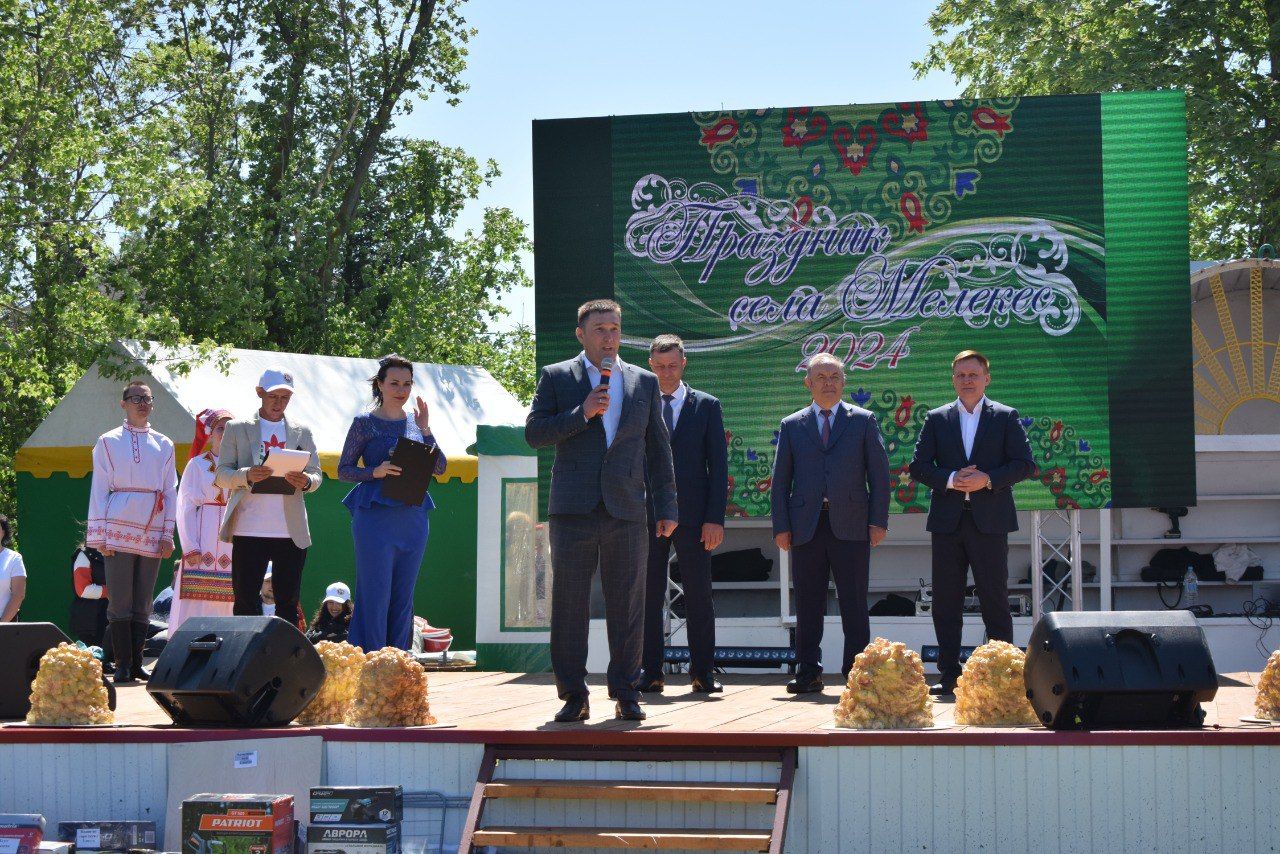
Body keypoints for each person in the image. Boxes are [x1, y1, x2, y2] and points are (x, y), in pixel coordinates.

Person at [525, 298, 678, 723]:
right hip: (573, 510)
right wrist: (582, 412)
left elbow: (658, 450)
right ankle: (574, 694)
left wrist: (666, 505)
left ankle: (627, 690)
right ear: (581, 334)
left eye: (614, 329)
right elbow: (535, 433)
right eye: (600, 330)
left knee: (628, 603)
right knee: (569, 605)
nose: (609, 337)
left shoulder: (643, 382)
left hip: (627, 509)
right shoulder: (557, 377)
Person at [908, 350, 1035, 695]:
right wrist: (950, 478)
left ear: (986, 378)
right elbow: (918, 466)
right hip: (948, 523)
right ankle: (949, 674)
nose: (967, 380)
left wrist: (988, 479)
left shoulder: (1006, 416)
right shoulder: (936, 419)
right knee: (946, 602)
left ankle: (1002, 674)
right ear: (953, 379)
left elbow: (1025, 464)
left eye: (973, 375)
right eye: (961, 375)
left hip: (990, 522)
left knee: (995, 599)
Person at [770, 353, 890, 694]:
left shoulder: (863, 421)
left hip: (852, 524)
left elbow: (879, 477)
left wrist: (878, 521)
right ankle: (808, 671)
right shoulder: (792, 425)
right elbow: (781, 481)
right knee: (808, 602)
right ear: (808, 383)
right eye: (820, 377)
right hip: (806, 525)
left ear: (844, 382)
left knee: (854, 601)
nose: (827, 383)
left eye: (834, 377)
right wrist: (781, 525)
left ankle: (857, 673)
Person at [338, 354, 446, 651]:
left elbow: (440, 467)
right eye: (395, 383)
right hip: (374, 517)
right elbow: (343, 470)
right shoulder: (364, 423)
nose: (402, 389)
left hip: (412, 518)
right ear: (380, 385)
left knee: (403, 596)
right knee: (375, 593)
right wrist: (375, 471)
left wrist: (426, 429)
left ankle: (398, 662)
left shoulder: (416, 424)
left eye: (407, 384)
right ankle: (371, 660)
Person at [639, 334, 728, 695]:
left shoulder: (706, 405)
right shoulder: (637, 403)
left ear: (684, 363)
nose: (666, 372)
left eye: (672, 365)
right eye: (659, 366)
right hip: (645, 514)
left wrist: (715, 518)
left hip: (694, 516)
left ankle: (703, 673)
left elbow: (718, 467)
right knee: (646, 595)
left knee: (699, 595)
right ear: (649, 365)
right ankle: (650, 672)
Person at [215, 367, 322, 631]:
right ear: (260, 393)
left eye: (285, 397)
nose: (279, 402)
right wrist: (247, 474)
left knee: (288, 602)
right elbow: (221, 475)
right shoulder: (237, 428)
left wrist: (306, 481)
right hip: (249, 527)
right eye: (274, 396)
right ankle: (245, 660)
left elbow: (316, 473)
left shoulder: (302, 431)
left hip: (289, 529)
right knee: (245, 600)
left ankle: (283, 662)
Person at [86, 380, 178, 683]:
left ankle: (137, 662)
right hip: (118, 522)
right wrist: (98, 535)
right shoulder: (107, 441)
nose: (142, 403)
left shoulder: (164, 443)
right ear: (123, 403)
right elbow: (99, 488)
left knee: (144, 600)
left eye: (147, 399)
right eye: (135, 398)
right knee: (121, 598)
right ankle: (122, 663)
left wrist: (168, 533)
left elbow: (170, 489)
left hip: (153, 523)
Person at [170, 408, 235, 631]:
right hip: (203, 535)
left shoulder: (243, 466)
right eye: (220, 429)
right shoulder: (197, 464)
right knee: (197, 596)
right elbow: (185, 507)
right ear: (210, 433)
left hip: (234, 538)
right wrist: (190, 547)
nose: (226, 433)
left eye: (230, 428)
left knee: (232, 596)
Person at [70, 544, 109, 648]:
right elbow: (83, 590)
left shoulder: (119, 554)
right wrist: (114, 591)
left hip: (113, 620)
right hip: (91, 623)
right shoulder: (84, 554)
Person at [0, 515, 27, 622]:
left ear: (3, 532)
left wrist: (2, 625)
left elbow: (18, 595)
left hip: (5, 623)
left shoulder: (14, 558)